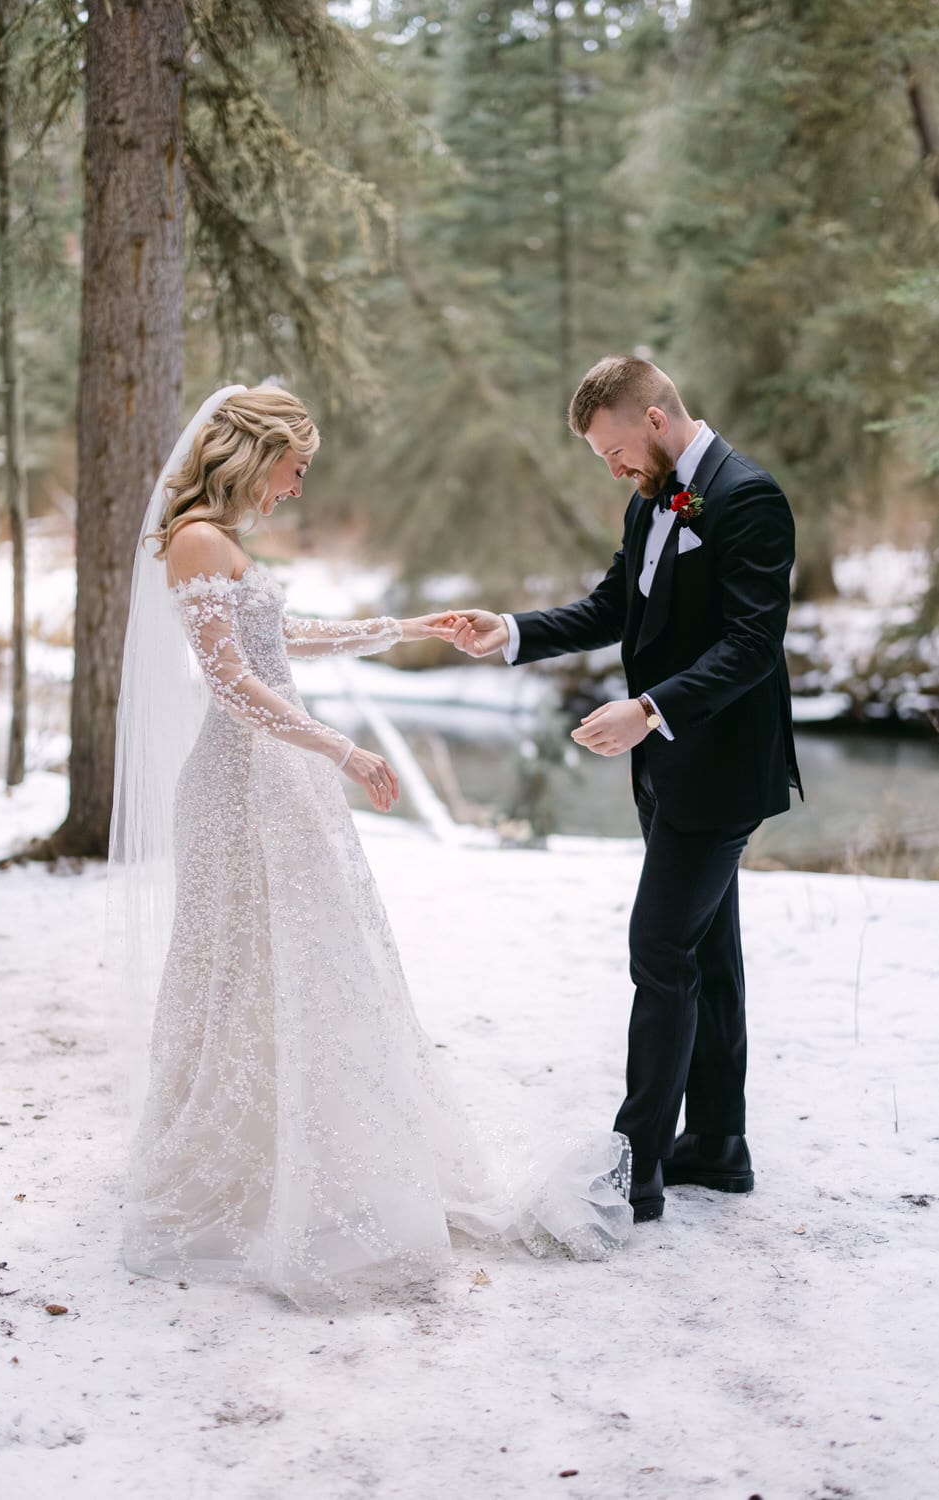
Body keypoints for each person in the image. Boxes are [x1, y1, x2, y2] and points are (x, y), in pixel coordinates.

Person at [110, 383, 632, 1310]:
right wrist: (341, 748)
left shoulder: (226, 546)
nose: (299, 489)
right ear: (255, 450)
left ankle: (321, 1163)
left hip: (280, 781)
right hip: (238, 790)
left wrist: (402, 629)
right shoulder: (196, 537)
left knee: (314, 966)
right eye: (296, 468)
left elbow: (285, 641)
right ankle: (242, 1177)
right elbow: (231, 686)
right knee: (240, 971)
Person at [448, 355, 803, 1223]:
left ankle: (636, 1164)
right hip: (670, 766)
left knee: (659, 951)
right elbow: (616, 607)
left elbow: (751, 645)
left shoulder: (747, 497)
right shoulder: (653, 497)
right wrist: (509, 632)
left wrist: (647, 709)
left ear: (653, 417)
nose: (610, 469)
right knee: (706, 952)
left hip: (720, 766)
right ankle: (718, 1143)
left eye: (612, 450)